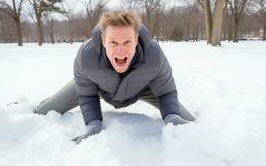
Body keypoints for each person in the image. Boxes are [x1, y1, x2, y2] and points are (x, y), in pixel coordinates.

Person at [34, 10, 195, 144]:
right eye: (113, 43)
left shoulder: (153, 55)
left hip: (142, 88)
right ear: (103, 40)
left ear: (136, 39)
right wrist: (94, 124)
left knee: (188, 121)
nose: (120, 50)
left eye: (127, 42)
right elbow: (86, 94)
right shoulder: (87, 56)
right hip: (96, 87)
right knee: (44, 110)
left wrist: (172, 116)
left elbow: (166, 92)